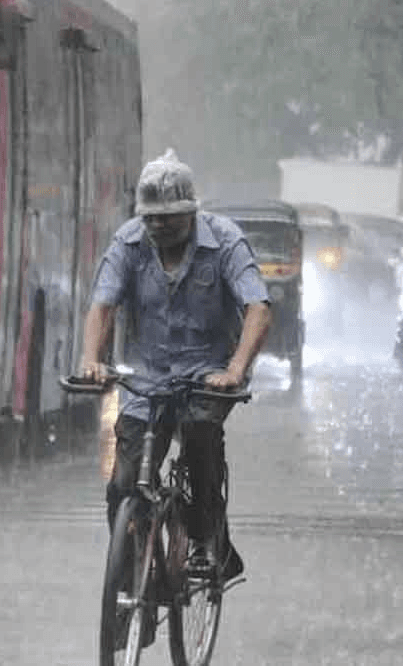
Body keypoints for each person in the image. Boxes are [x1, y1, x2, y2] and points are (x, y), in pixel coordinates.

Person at [77, 149, 271, 582]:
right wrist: (91, 360)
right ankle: (132, 575)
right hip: (145, 378)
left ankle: (208, 540)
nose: (159, 227)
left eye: (169, 218)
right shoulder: (128, 243)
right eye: (151, 219)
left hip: (208, 376)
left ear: (191, 212)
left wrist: (235, 370)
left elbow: (258, 309)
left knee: (200, 437)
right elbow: (103, 306)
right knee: (123, 483)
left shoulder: (225, 241)